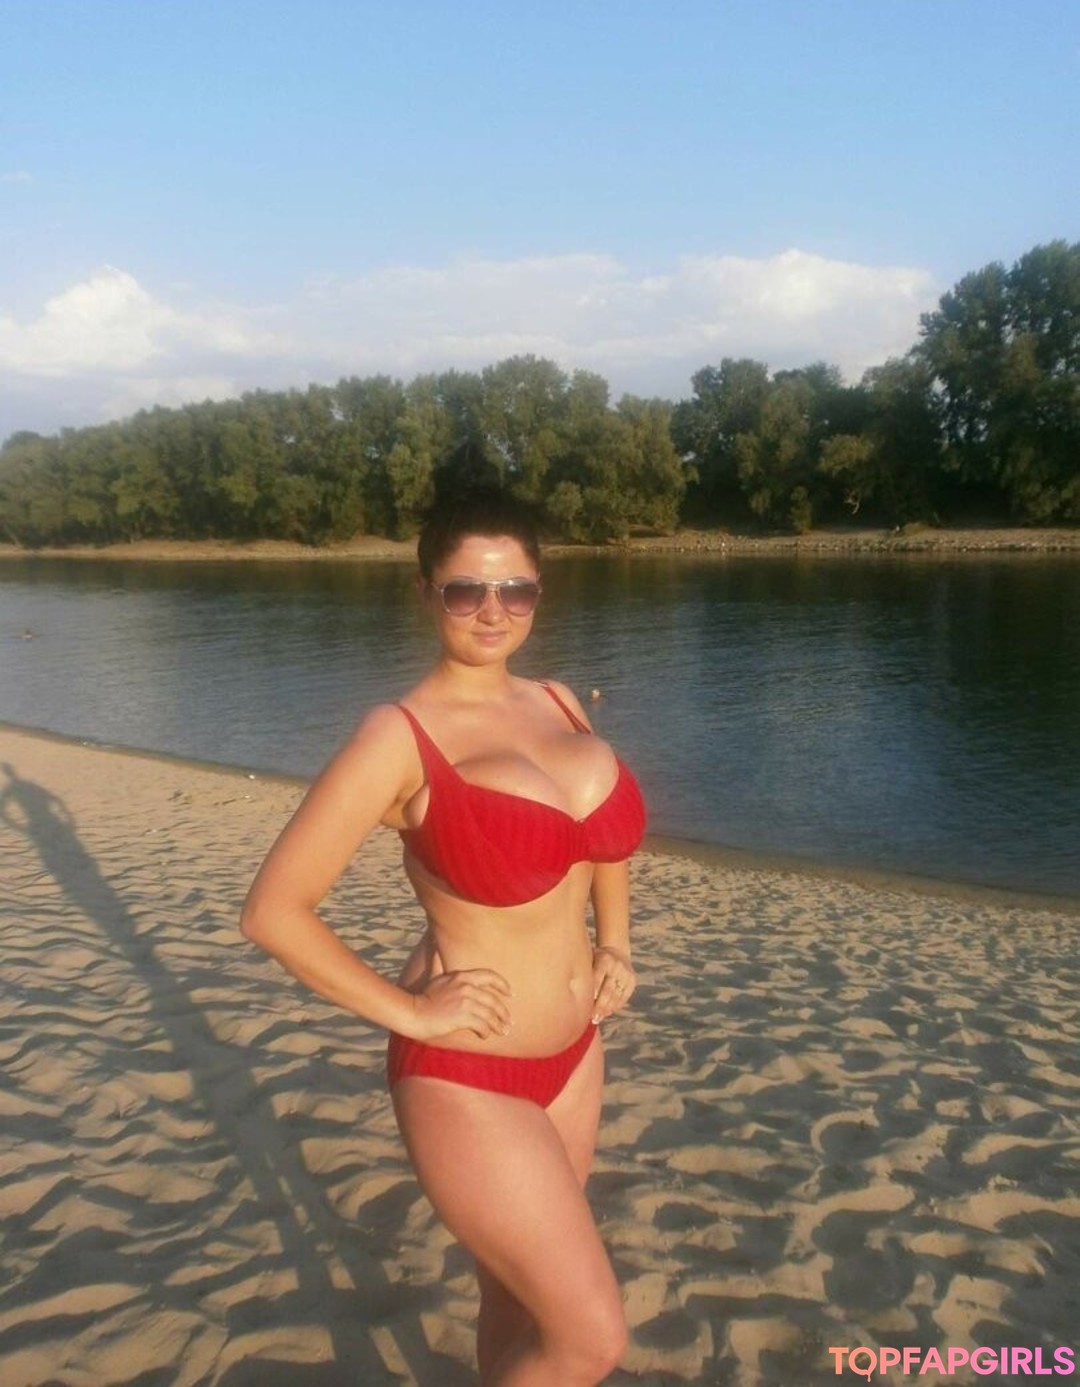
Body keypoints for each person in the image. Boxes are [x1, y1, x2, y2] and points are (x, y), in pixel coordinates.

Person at [241, 487, 646, 1386]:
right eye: (467, 590)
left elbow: (601, 841)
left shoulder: (559, 701)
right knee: (591, 1339)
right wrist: (412, 1012)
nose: (493, 611)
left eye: (516, 589)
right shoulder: (399, 735)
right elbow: (274, 910)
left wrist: (615, 941)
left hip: (575, 1055)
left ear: (539, 590)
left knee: (520, 1300)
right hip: (467, 1074)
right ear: (426, 591)